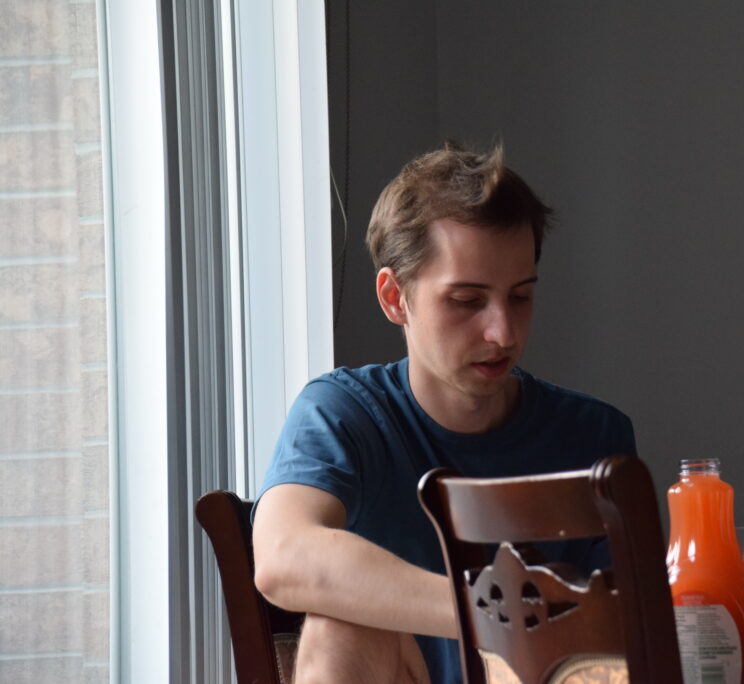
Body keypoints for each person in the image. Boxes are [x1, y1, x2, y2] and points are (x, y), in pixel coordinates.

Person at [251, 142, 635, 683]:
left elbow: (624, 641)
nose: (503, 332)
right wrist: (493, 617)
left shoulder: (594, 434)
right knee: (343, 623)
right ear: (395, 298)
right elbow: (282, 557)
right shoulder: (344, 414)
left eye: (520, 296)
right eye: (467, 301)